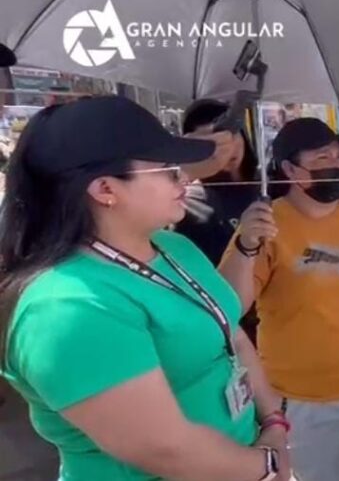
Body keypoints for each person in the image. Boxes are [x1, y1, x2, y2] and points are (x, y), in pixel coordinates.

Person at [0, 96, 288, 481]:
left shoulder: (173, 247)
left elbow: (228, 328)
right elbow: (166, 450)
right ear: (105, 189)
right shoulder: (68, 307)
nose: (185, 178)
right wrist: (267, 468)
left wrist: (273, 423)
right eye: (167, 170)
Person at [219, 117, 339, 481]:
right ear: (291, 169)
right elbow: (230, 305)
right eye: (323, 157)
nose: (338, 165)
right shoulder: (264, 225)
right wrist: (247, 244)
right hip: (302, 400)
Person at [174, 98, 262, 343]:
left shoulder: (270, 186)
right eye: (211, 142)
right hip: (235, 330)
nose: (226, 149)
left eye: (229, 136)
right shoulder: (187, 203)